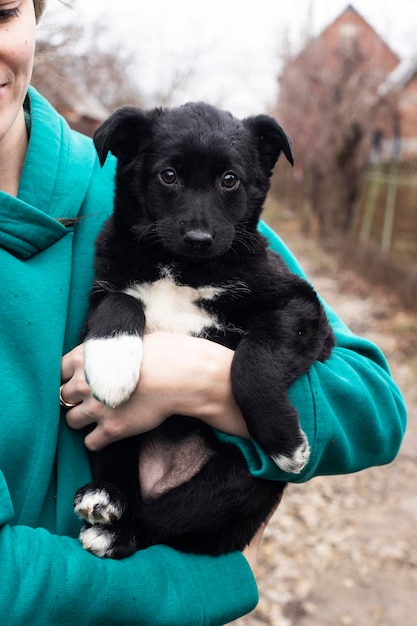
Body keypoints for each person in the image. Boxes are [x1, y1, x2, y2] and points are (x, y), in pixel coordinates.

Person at [0, 1, 407, 624]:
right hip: (142, 555)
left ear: (34, 15)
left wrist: (211, 385)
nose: (197, 221)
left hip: (201, 501)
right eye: (172, 178)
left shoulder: (136, 186)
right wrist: (195, 590)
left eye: (1, 12)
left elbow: (374, 403)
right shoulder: (136, 199)